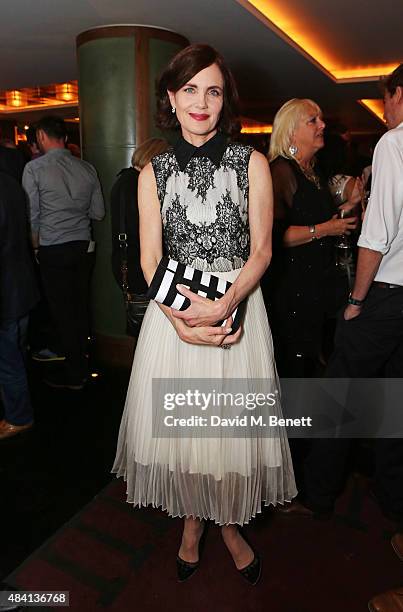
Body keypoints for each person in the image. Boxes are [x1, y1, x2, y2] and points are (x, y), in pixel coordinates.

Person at [113, 44, 296, 584]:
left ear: (224, 101)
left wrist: (227, 303)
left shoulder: (252, 162)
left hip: (238, 311)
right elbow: (149, 260)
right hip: (176, 320)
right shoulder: (153, 173)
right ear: (171, 97)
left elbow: (262, 250)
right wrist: (178, 320)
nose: (200, 101)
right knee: (188, 431)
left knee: (228, 433)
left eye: (212, 90)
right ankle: (193, 525)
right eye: (189, 89)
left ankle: (228, 524)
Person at [284, 65, 403, 521]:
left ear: (398, 94)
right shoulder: (288, 171)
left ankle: (317, 495)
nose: (386, 110)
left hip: (385, 294)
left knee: (340, 395)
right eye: (312, 120)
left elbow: (377, 237)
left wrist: (356, 300)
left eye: (387, 99)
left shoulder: (394, 142)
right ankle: (392, 495)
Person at [264, 98, 358, 378]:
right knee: (295, 363)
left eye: (320, 119)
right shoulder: (280, 170)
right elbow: (274, 235)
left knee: (313, 359)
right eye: (313, 120)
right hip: (292, 289)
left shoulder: (313, 171)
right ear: (291, 131)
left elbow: (314, 217)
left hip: (317, 284)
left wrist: (346, 209)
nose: (323, 125)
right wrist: (326, 229)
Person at [22, 115, 105, 390]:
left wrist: (34, 245)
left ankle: (74, 374)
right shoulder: (87, 168)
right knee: (80, 306)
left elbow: (32, 214)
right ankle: (81, 363)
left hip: (53, 247)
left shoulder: (34, 170)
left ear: (42, 137)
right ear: (65, 138)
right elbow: (98, 213)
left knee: (62, 311)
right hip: (83, 246)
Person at [110, 138, 170, 336]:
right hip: (140, 268)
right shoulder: (139, 185)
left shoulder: (123, 180)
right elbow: (143, 232)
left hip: (128, 264)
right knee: (151, 332)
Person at [0, 170, 39, 440]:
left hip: (5, 290)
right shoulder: (8, 180)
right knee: (15, 352)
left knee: (8, 360)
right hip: (19, 283)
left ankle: (19, 416)